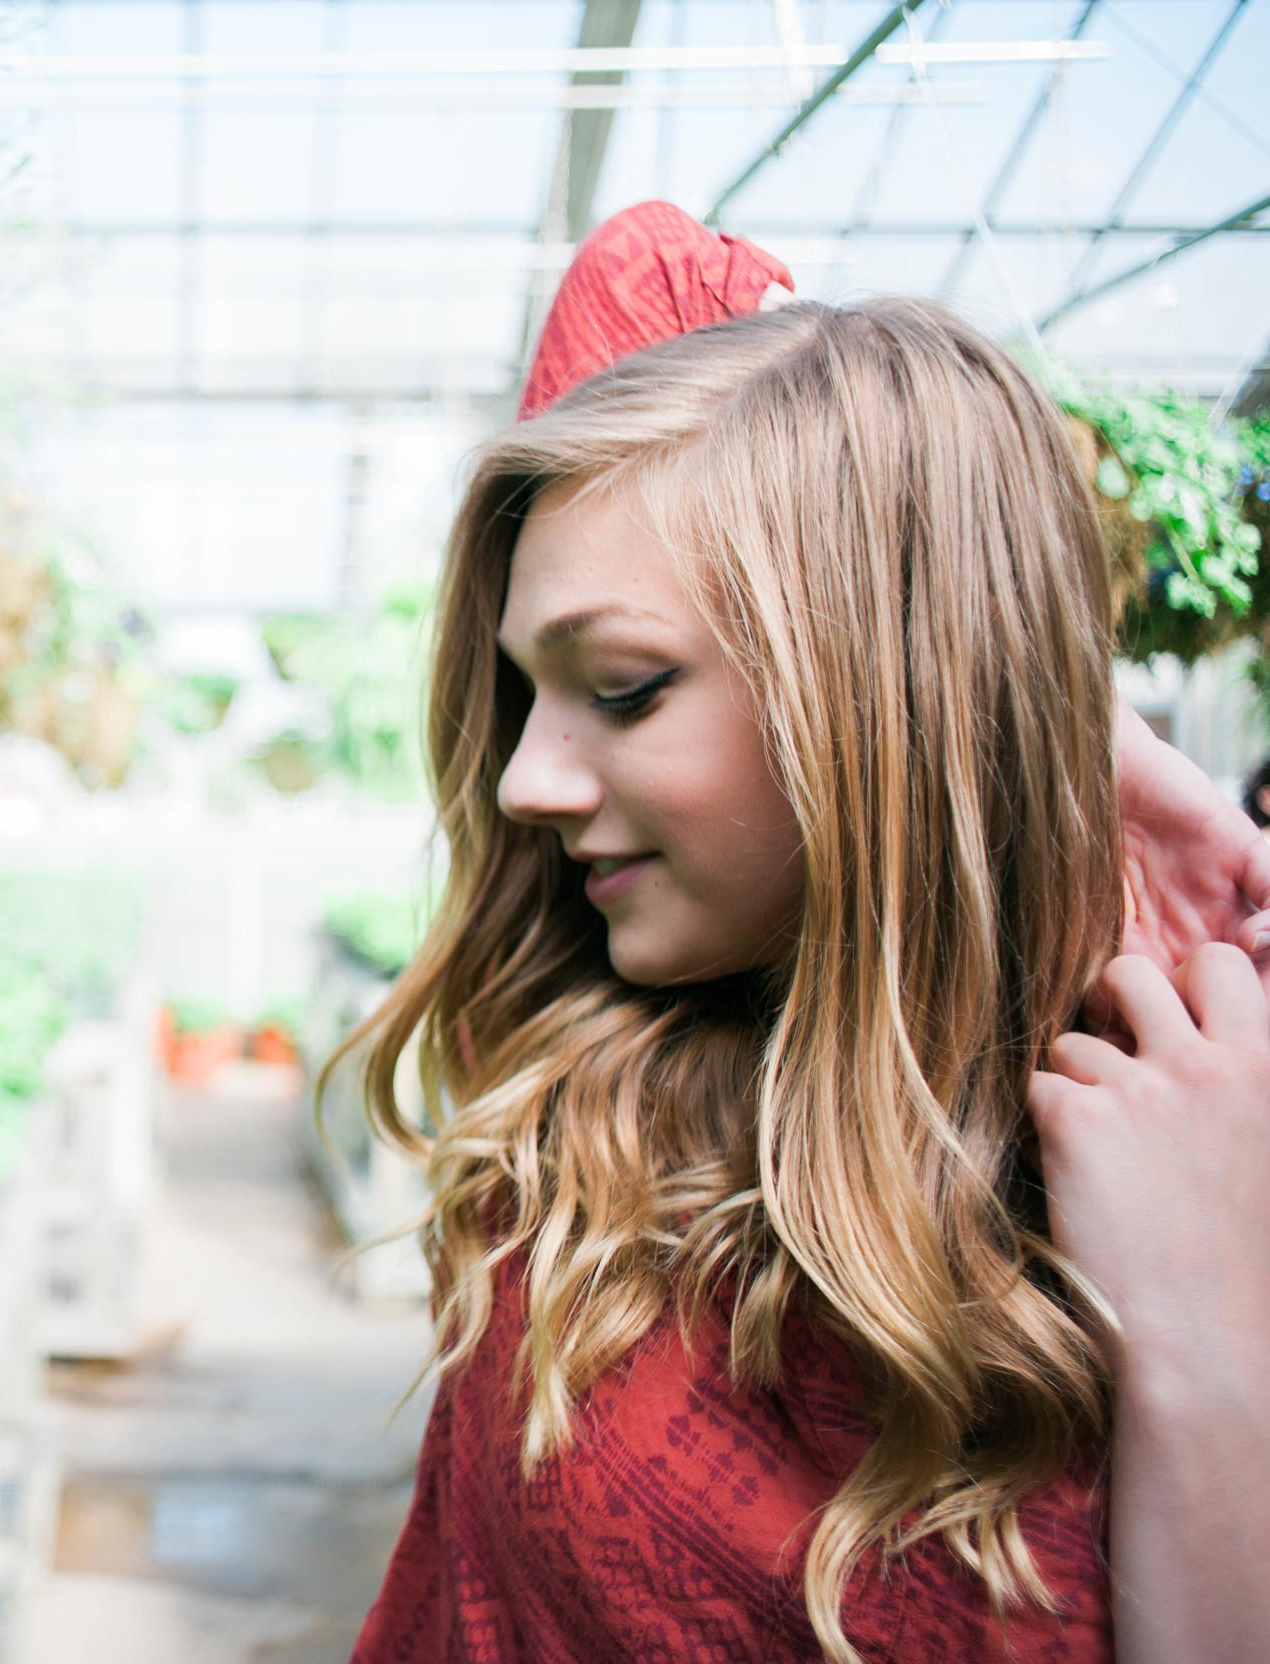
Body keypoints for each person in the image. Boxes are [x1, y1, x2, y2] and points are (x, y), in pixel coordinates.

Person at [344, 224, 1270, 1663]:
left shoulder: (1189, 1148)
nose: (527, 782)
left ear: (878, 690)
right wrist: (1097, 739)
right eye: (534, 691)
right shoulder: (595, 1092)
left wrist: (1209, 1356)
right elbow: (641, 268)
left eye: (628, 688)